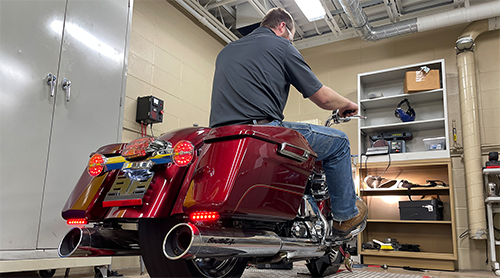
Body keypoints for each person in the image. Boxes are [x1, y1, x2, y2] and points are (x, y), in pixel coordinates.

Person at [209, 7, 367, 240]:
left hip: (222, 134)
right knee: (340, 142)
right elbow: (322, 97)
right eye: (291, 36)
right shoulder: (281, 46)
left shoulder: (226, 50)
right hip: (262, 131)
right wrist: (346, 104)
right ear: (282, 26)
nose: (291, 41)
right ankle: (345, 216)